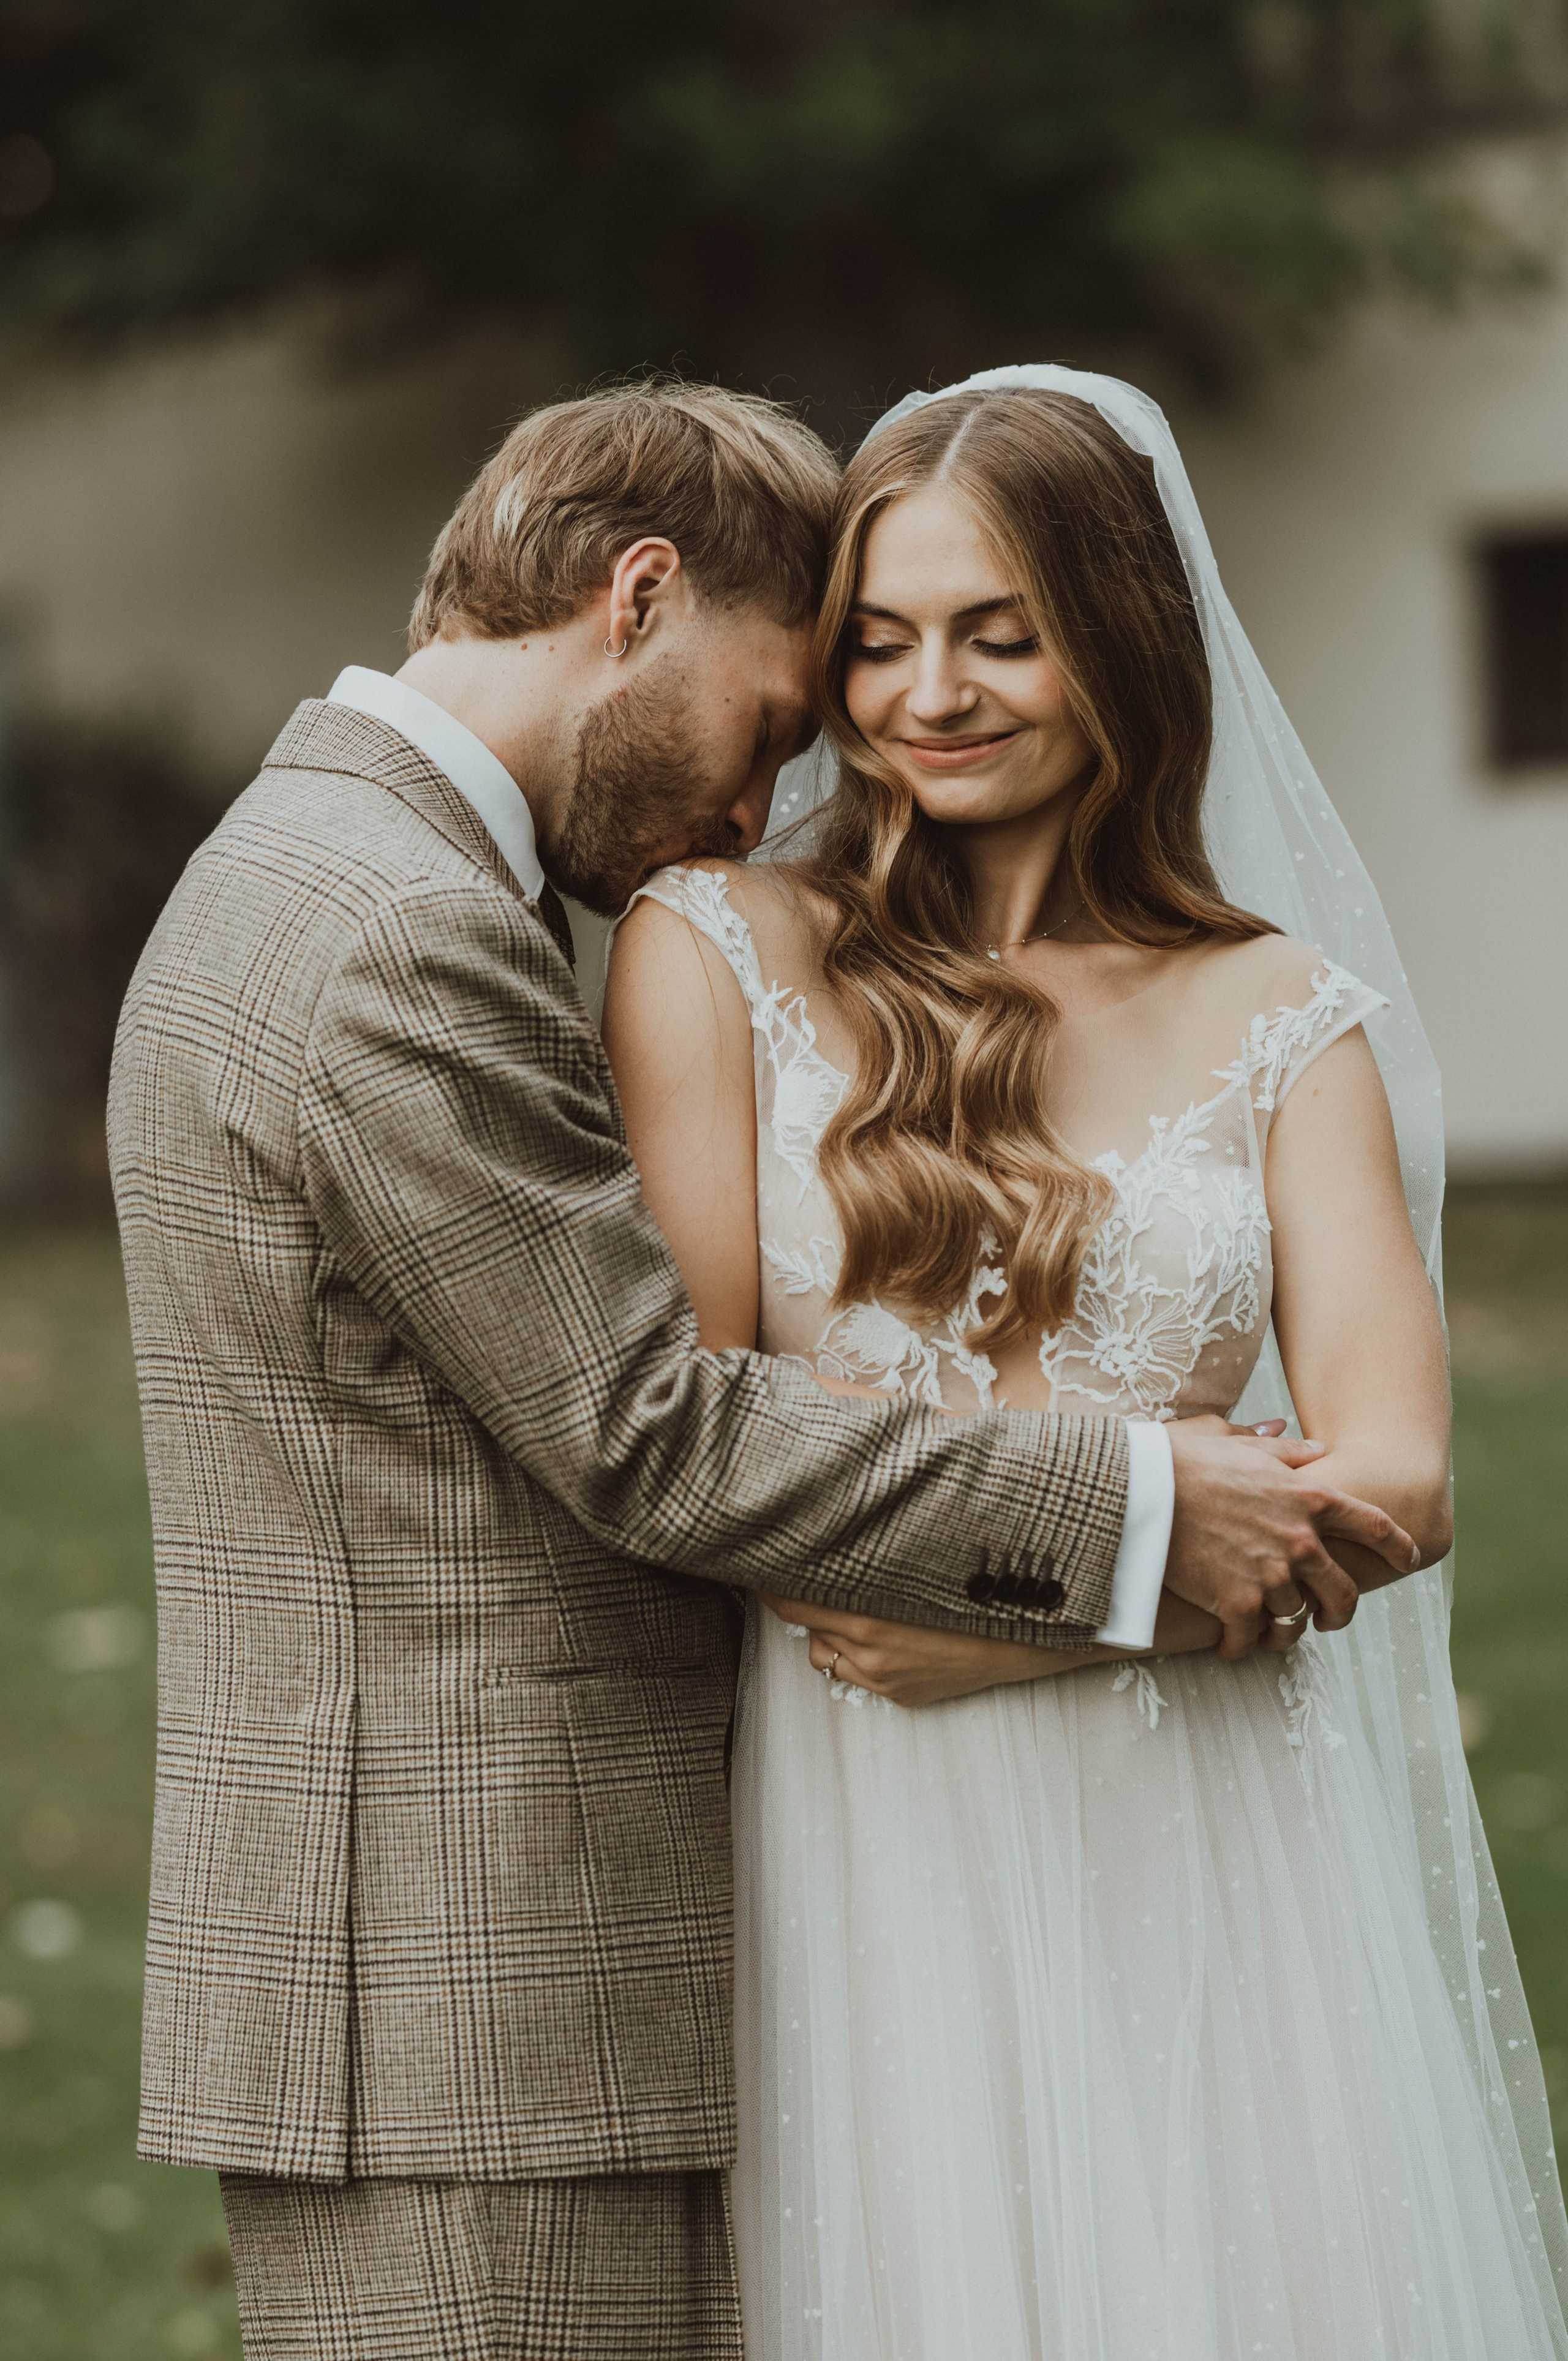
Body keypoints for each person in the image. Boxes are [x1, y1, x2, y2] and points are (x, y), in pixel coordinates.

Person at [106, 380, 1407, 2361]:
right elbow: (654, 1426)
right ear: (638, 598)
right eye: (786, 714)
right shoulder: (390, 929)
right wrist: (1145, 1508)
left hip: (489, 1989)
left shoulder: (343, 870)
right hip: (466, 1999)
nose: (756, 803)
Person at [603, 367, 1568, 2358]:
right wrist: (1170, 1531)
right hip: (872, 1817)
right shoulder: (716, 948)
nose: (928, 695)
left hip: (1212, 1819)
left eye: (1000, 634)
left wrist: (1043, 1627)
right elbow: (703, 1433)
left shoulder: (1282, 1012)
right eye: (880, 642)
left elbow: (1397, 1478)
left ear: (1119, 639)